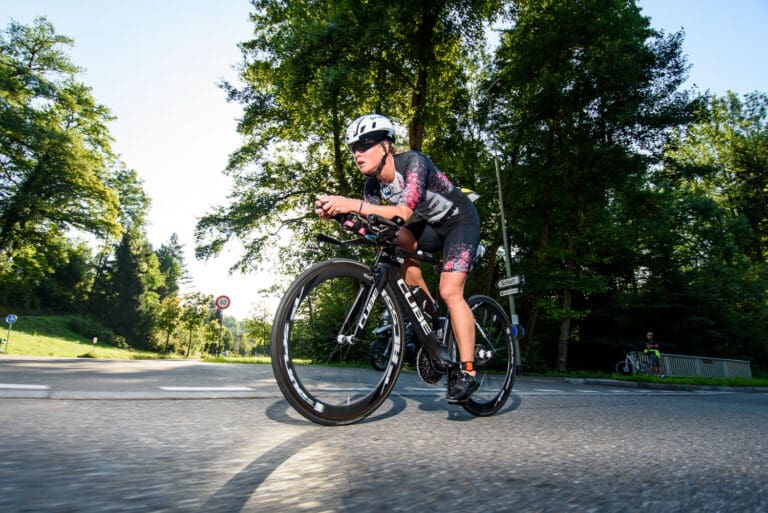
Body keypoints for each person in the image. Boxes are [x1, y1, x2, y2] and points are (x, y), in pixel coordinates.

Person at [315, 113, 481, 402]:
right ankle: (427, 310)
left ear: (386, 146)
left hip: (460, 221)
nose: (357, 153)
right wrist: (341, 217)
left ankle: (468, 371)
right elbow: (374, 228)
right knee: (392, 238)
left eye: (365, 144)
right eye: (354, 147)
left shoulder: (413, 162)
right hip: (432, 226)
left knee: (450, 290)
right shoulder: (373, 186)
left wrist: (351, 203)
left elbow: (402, 213)